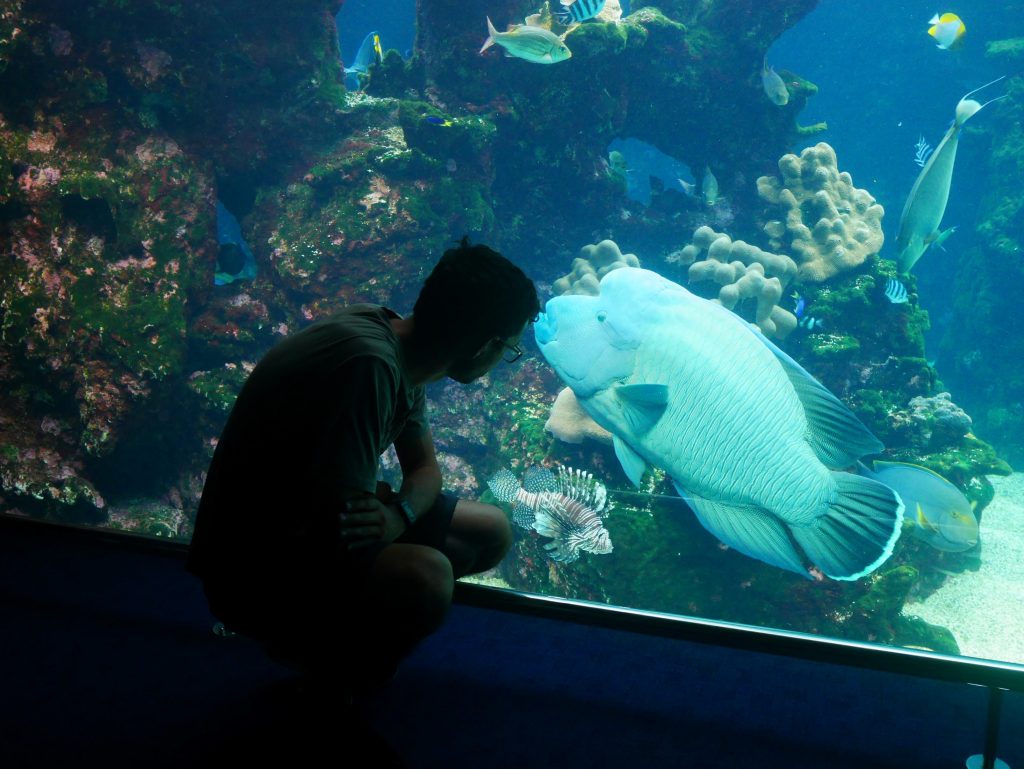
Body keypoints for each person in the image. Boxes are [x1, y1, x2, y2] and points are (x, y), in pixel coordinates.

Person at [186, 237, 540, 701]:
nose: (504, 360)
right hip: (253, 566)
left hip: (310, 525)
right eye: (508, 349)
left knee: (490, 529)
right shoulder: (368, 367)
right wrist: (390, 521)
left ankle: (334, 633)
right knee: (428, 578)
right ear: (483, 344)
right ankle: (326, 675)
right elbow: (340, 531)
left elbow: (426, 470)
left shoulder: (405, 344)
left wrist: (400, 516)